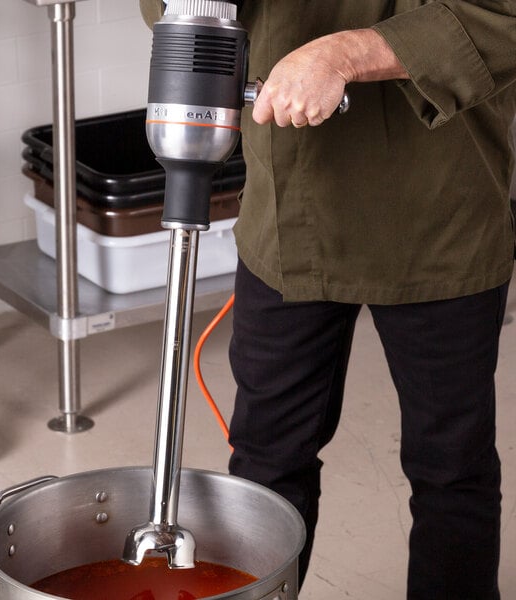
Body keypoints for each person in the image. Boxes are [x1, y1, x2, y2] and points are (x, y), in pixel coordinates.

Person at [140, 1, 516, 598]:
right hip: (291, 209)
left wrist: (345, 53)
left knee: (451, 466)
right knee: (266, 460)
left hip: (442, 202)